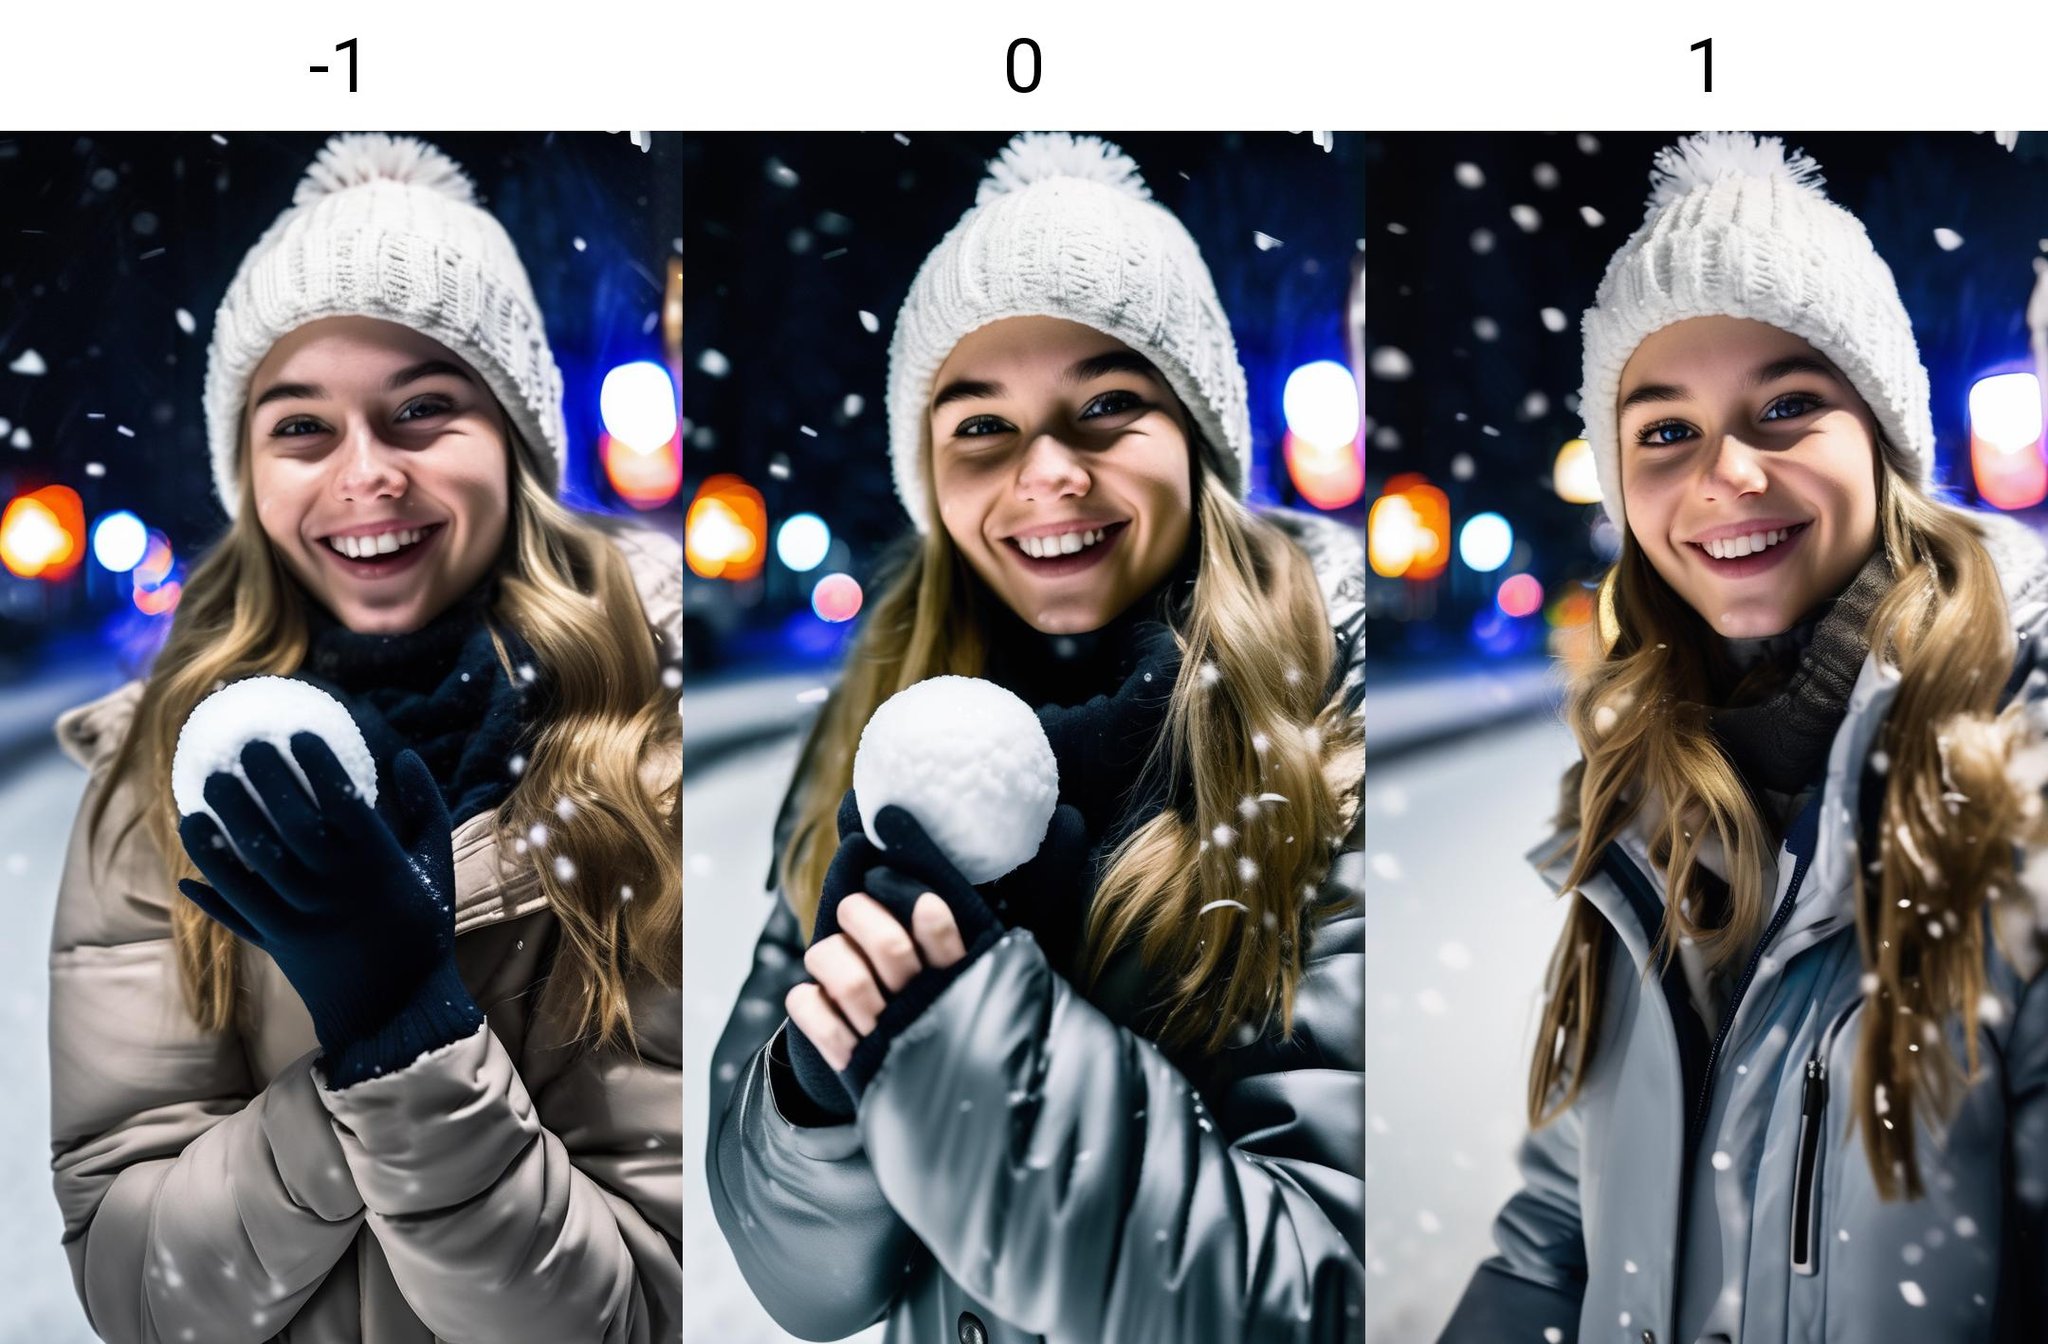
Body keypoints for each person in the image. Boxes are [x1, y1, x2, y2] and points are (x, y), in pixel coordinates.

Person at [704, 132, 1367, 1344]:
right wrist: (812, 1095)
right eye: (978, 427)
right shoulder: (879, 733)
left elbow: (1312, 1300)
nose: (1043, 474)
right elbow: (800, 1286)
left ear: (1200, 440)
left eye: (1107, 405)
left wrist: (970, 1035)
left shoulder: (1327, 735)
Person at [46, 133, 684, 1343]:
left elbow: (631, 1313)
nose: (365, 475)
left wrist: (408, 1030)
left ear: (514, 442)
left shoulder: (654, 756)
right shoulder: (154, 774)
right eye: (300, 428)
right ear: (246, 469)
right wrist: (367, 1057)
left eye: (422, 411)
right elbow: (140, 1294)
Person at [1441, 133, 2048, 1344]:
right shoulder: (1648, 797)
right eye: (1664, 431)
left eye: (1783, 406)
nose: (1724, 472)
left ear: (1881, 439)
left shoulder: (2017, 780)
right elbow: (1561, 1226)